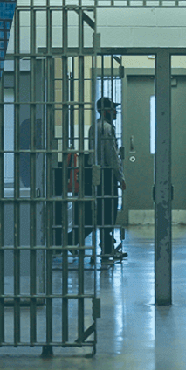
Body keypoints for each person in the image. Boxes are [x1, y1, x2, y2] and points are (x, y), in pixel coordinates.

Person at [65, 97, 126, 263]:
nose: (115, 112)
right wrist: (120, 177)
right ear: (106, 110)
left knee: (97, 214)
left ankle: (78, 242)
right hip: (107, 175)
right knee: (109, 213)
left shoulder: (93, 128)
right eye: (113, 109)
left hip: (95, 174)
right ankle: (105, 250)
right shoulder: (107, 129)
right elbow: (112, 155)